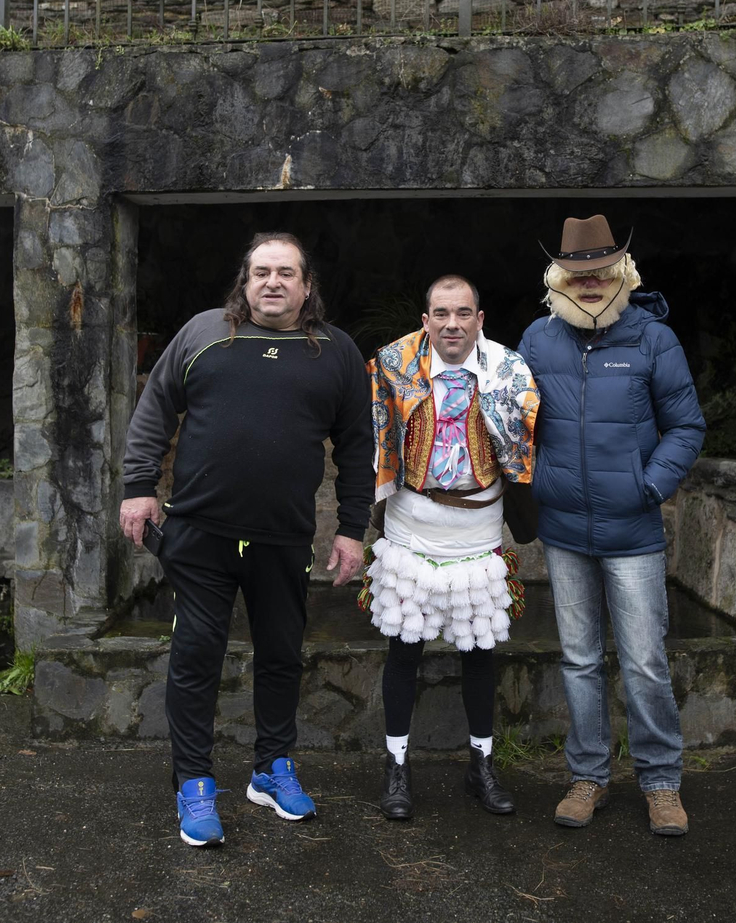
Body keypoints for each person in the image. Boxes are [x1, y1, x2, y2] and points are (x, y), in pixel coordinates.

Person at [118, 232, 373, 848]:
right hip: (200, 534)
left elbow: (359, 448)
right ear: (245, 279)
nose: (272, 283)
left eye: (286, 273)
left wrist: (352, 529)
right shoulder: (206, 334)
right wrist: (138, 484)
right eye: (261, 272)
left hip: (282, 538)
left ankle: (271, 768)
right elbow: (156, 406)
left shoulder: (334, 353)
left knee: (282, 655)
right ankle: (195, 782)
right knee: (197, 656)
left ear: (307, 285)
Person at [516, 215, 706, 837]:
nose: (591, 281)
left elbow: (686, 426)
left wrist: (650, 485)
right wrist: (535, 484)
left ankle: (660, 784)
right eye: (579, 271)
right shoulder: (538, 341)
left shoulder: (654, 338)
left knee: (645, 661)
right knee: (577, 659)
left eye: (602, 270)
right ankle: (588, 777)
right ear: (559, 276)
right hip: (565, 529)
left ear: (622, 272)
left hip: (633, 533)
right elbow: (514, 425)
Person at [364, 275, 539, 820]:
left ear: (480, 320)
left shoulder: (509, 372)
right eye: (441, 313)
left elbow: (530, 440)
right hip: (412, 521)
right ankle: (397, 767)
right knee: (403, 650)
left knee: (480, 652)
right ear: (426, 320)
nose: (452, 324)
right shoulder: (392, 367)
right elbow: (367, 433)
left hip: (478, 524)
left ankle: (480, 766)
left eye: (463, 313)